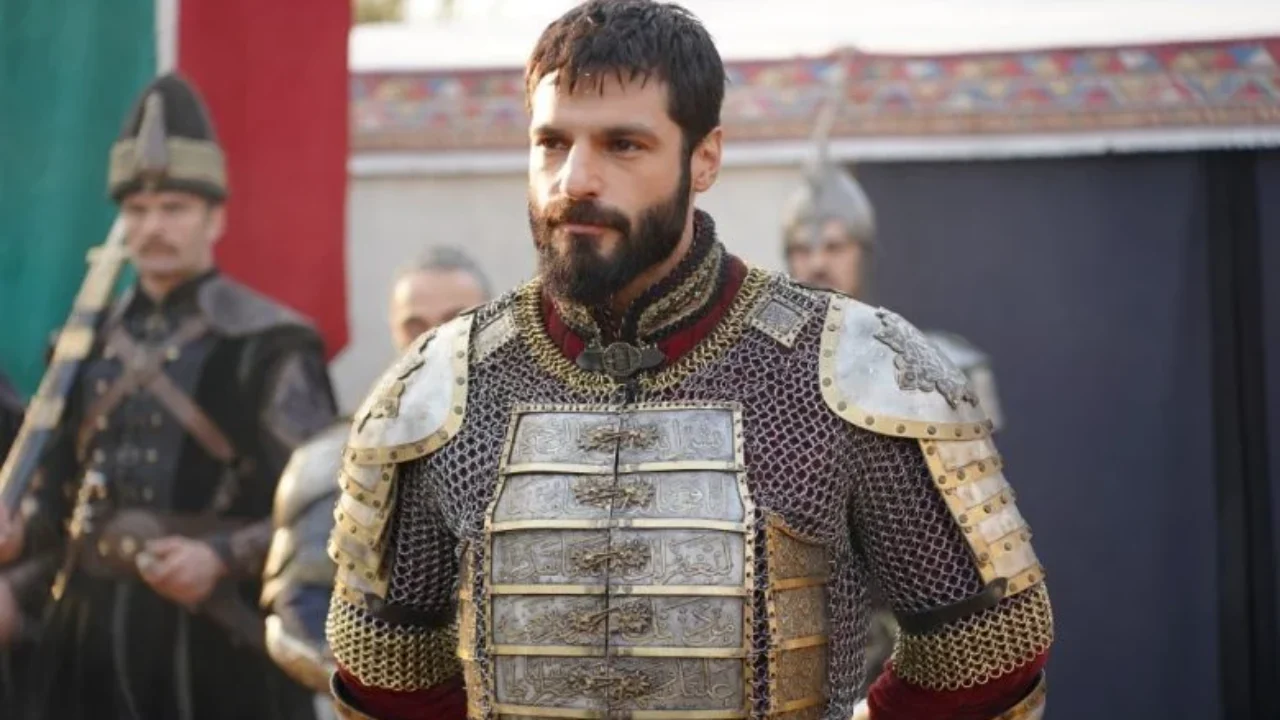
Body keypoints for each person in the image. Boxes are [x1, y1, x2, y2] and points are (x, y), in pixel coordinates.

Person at [325, 3, 1054, 720]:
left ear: (704, 158)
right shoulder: (444, 383)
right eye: (551, 142)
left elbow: (983, 653)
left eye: (623, 145)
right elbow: (386, 670)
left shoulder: (847, 367)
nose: (574, 179)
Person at [0, 72, 336, 720]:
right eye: (138, 211)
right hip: (86, 650)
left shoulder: (269, 344)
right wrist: (20, 534)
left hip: (219, 652)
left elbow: (323, 510)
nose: (153, 226)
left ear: (216, 218)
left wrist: (219, 557)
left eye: (174, 208)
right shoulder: (80, 343)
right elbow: (55, 501)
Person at [262, 247, 492, 701]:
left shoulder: (544, 440)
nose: (436, 337)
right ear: (394, 330)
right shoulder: (333, 458)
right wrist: (388, 693)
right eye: (415, 324)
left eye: (456, 319)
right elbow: (301, 611)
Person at [782, 166, 1005, 429]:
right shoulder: (767, 369)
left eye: (834, 247)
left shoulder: (939, 369)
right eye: (802, 250)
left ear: (863, 255)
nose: (817, 263)